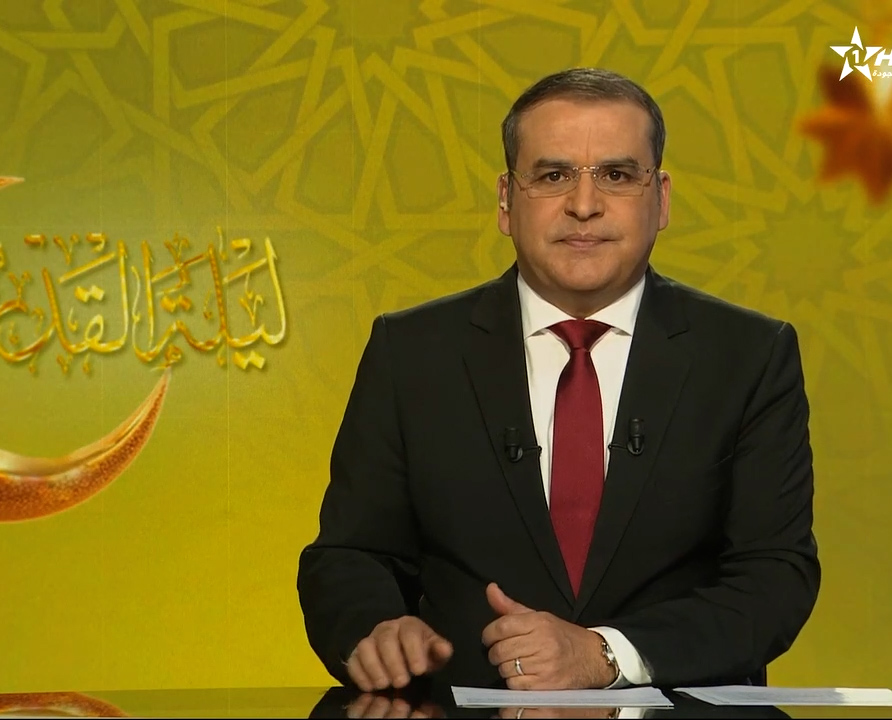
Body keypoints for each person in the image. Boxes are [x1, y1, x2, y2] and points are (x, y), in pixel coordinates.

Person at [297, 67, 820, 693]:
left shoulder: (748, 355)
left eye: (617, 175)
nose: (584, 204)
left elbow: (775, 576)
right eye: (553, 176)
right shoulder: (412, 352)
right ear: (505, 201)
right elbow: (349, 555)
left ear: (662, 200)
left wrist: (606, 653)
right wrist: (374, 628)